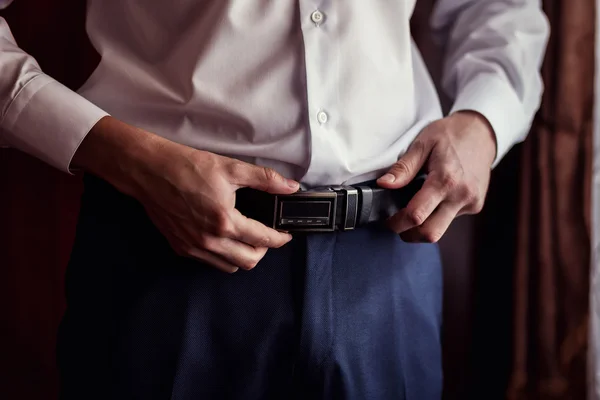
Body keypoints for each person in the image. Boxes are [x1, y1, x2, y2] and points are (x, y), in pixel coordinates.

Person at [0, 0, 549, 399]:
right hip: (167, 256)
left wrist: (484, 120)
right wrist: (128, 157)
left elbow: (497, 9)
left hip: (390, 261)